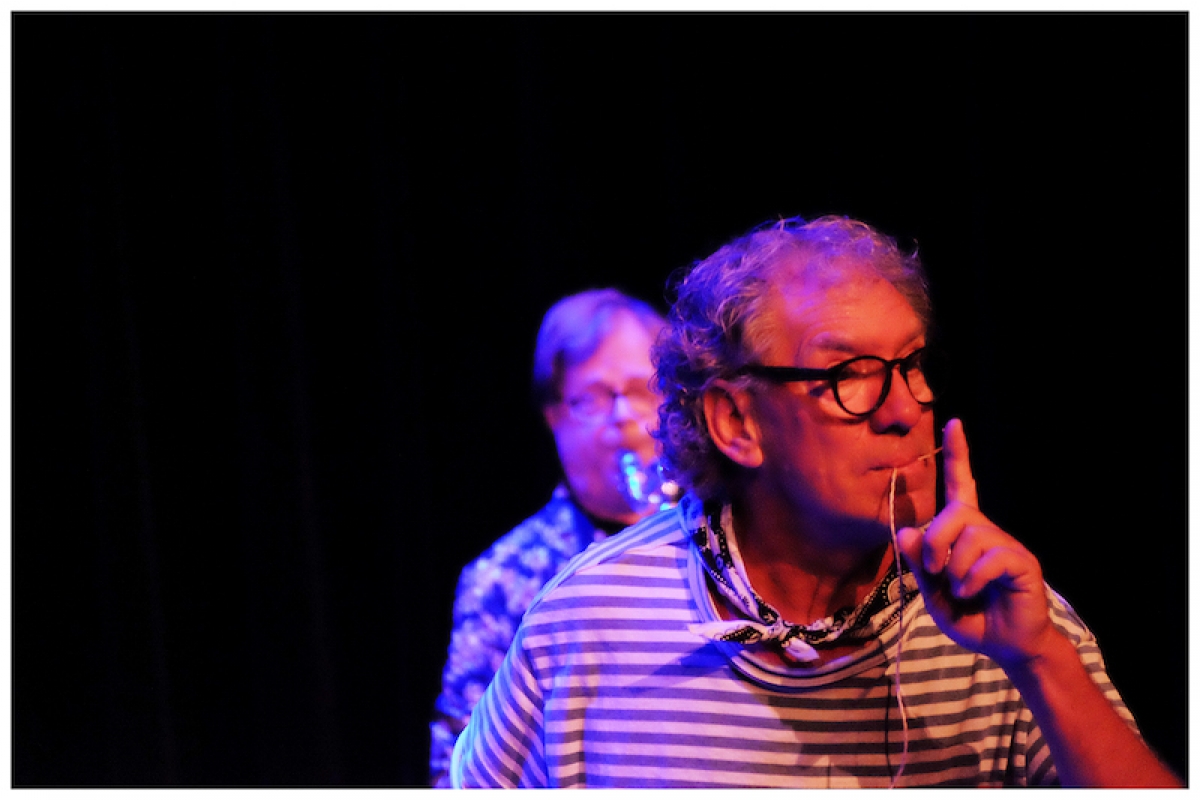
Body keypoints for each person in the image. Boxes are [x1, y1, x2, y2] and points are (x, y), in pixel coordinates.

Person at [448, 216, 1181, 788]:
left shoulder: (1010, 617)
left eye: (912, 364)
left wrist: (1040, 661)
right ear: (737, 422)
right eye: (850, 375)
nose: (906, 409)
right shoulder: (586, 620)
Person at [428, 288, 672, 787]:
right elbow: (456, 767)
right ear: (554, 416)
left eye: (640, 390)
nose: (623, 417)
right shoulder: (504, 577)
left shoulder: (726, 537)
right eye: (594, 398)